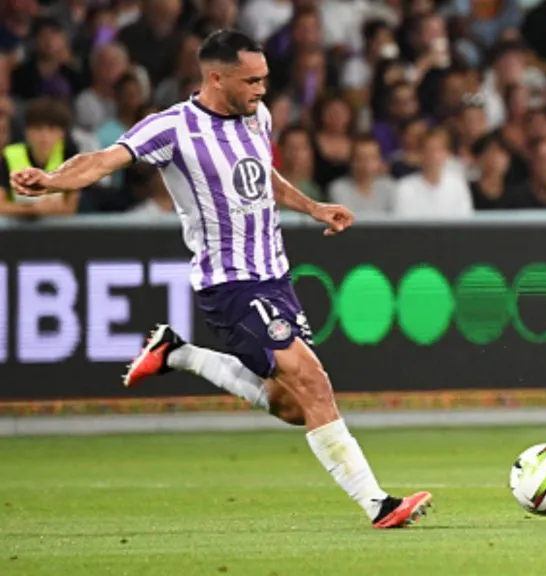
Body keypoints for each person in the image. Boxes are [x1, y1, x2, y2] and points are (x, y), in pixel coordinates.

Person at [9, 29, 432, 530]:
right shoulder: (171, 128)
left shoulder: (258, 116)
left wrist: (312, 206)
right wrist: (52, 180)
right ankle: (379, 505)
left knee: (293, 406)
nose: (261, 89)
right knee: (313, 382)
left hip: (276, 277)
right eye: (251, 81)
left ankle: (177, 353)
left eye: (264, 79)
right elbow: (102, 160)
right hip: (230, 284)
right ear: (215, 78)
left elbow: (262, 176)